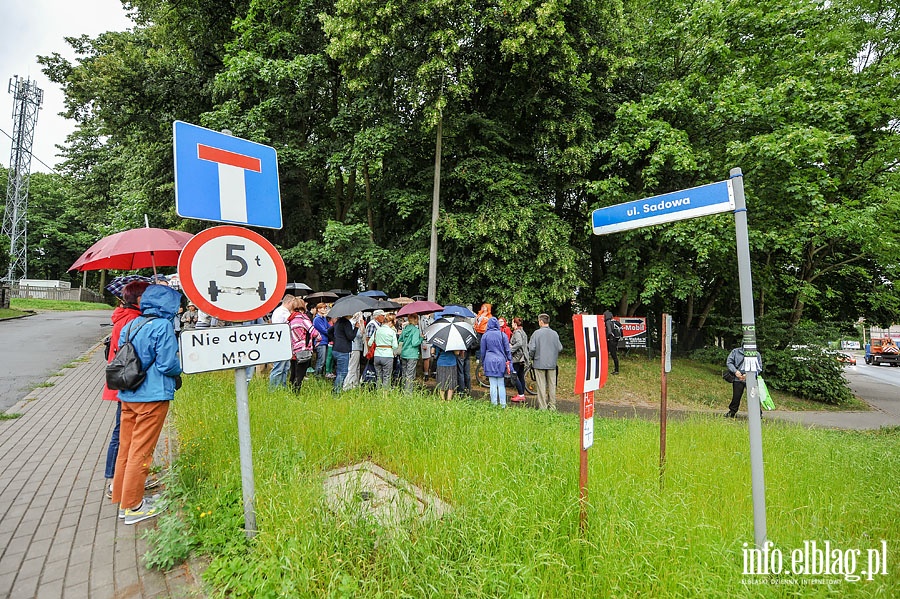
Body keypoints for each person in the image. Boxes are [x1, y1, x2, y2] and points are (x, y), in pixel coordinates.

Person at [111, 283, 183, 525]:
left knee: (127, 448)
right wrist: (180, 368)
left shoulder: (131, 324)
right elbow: (166, 365)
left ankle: (123, 500)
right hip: (152, 396)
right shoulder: (163, 326)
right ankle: (133, 506)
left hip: (128, 394)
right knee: (142, 451)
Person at [102, 280, 155, 499]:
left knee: (124, 432)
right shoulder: (133, 321)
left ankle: (121, 479)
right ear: (140, 299)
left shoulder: (123, 317)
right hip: (129, 382)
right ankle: (116, 481)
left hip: (123, 381)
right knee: (123, 434)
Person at [528, 313, 563, 410]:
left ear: (541, 322)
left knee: (541, 385)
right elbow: (560, 348)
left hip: (539, 363)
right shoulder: (555, 334)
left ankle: (542, 407)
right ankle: (552, 406)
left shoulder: (536, 333)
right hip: (552, 363)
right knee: (552, 385)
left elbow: (532, 348)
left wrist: (531, 358)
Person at [480, 317, 514, 407]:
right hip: (501, 361)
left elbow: (482, 351)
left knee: (492, 384)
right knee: (501, 384)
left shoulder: (485, 335)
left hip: (489, 361)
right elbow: (507, 350)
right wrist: (509, 361)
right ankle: (503, 404)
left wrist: (482, 362)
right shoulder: (503, 335)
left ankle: (494, 404)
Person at [288, 298, 319, 391]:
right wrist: (317, 342)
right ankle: (296, 394)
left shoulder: (290, 319)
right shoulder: (303, 318)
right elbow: (314, 332)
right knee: (300, 376)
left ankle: (291, 393)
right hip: (303, 350)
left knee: (293, 374)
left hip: (292, 351)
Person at [725, 346, 764, 417]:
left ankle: (758, 413)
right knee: (736, 396)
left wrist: (749, 375)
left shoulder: (756, 354)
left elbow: (759, 368)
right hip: (738, 378)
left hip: (751, 379)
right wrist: (735, 371)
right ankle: (732, 412)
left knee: (754, 397)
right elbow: (729, 362)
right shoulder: (735, 352)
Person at [268, 294, 295, 389]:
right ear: (289, 302)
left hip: (285, 343)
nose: (294, 304)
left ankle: (282, 387)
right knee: (279, 368)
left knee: (286, 367)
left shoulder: (283, 311)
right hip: (280, 343)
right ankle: (273, 389)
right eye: (293, 302)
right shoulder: (281, 312)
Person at [369, 311, 398, 389]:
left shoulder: (377, 330)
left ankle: (378, 392)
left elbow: (369, 343)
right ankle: (384, 395)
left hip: (377, 355)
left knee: (378, 376)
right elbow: (395, 346)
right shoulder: (392, 332)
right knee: (387, 376)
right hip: (387, 355)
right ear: (390, 323)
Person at [328, 314, 357, 393]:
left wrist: (335, 340)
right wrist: (356, 328)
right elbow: (350, 336)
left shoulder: (338, 322)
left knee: (339, 371)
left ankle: (336, 389)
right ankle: (336, 391)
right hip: (343, 350)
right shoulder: (346, 323)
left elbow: (329, 331)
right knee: (342, 373)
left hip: (336, 349)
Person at [398, 314, 423, 392]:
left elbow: (400, 340)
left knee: (404, 373)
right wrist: (421, 338)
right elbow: (415, 343)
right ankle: (408, 393)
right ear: (415, 319)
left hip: (404, 353)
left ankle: (403, 389)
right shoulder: (415, 330)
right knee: (410, 374)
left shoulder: (405, 328)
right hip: (412, 354)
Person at [343, 312, 366, 390]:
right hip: (354, 347)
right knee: (353, 366)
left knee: (356, 366)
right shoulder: (353, 323)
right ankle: (348, 384)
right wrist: (361, 326)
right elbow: (359, 334)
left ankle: (354, 383)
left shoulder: (351, 322)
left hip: (356, 347)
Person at [509, 317, 529, 402]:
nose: (511, 324)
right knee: (521, 376)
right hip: (522, 358)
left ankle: (521, 395)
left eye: (512, 323)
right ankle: (522, 394)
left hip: (517, 358)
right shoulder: (522, 331)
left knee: (514, 376)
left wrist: (511, 349)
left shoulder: (517, 332)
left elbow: (519, 343)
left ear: (515, 324)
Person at [312, 303, 331, 376]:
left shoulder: (324, 318)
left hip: (325, 341)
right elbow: (325, 330)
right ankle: (317, 375)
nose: (325, 309)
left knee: (323, 360)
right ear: (319, 309)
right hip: (320, 341)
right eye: (323, 308)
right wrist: (328, 330)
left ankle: (319, 374)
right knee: (321, 360)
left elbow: (329, 327)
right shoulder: (317, 319)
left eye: (326, 308)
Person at [604, 310, 621, 375]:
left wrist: (607, 338)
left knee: (612, 355)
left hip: (610, 340)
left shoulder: (608, 322)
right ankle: (615, 369)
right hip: (615, 340)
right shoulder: (615, 322)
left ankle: (616, 370)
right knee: (613, 355)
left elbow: (609, 332)